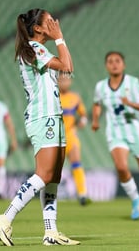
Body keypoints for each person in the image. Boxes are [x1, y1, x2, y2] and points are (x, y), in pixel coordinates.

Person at [0, 8, 79, 246]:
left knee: (53, 178)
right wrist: (60, 36)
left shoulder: (37, 50)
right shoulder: (35, 49)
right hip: (44, 117)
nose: (54, 23)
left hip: (53, 115)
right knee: (44, 174)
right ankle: (5, 217)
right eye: (49, 21)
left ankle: (51, 232)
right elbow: (67, 66)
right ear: (38, 28)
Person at [91, 51, 139, 221]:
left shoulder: (132, 83)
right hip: (116, 132)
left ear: (123, 64)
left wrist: (130, 103)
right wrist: (95, 120)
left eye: (117, 61)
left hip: (136, 132)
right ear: (106, 66)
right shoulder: (101, 86)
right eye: (110, 61)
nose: (114, 64)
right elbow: (96, 104)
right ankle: (136, 199)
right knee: (121, 167)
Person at [58, 76, 90, 205]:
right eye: (61, 80)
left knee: (76, 162)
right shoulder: (53, 96)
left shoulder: (75, 97)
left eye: (66, 80)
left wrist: (83, 121)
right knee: (53, 168)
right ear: (57, 81)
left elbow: (83, 115)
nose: (64, 82)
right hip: (56, 137)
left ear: (70, 81)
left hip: (70, 135)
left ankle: (82, 194)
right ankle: (51, 195)